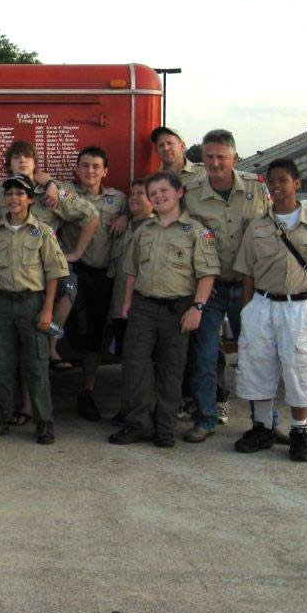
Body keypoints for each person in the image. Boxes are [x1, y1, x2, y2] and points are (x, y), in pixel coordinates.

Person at [232, 159, 307, 462]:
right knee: (257, 365)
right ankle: (263, 427)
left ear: (297, 184)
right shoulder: (258, 226)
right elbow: (248, 273)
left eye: (283, 180)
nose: (277, 187)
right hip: (263, 305)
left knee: (300, 367)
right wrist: (247, 311)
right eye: (272, 182)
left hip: (300, 307)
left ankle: (299, 432)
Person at [109, 171, 219, 447]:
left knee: (171, 371)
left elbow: (207, 274)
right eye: (153, 193)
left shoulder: (196, 231)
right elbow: (131, 269)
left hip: (178, 308)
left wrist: (197, 308)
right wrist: (126, 304)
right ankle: (137, 424)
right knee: (135, 366)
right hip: (144, 305)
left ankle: (164, 427)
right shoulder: (143, 230)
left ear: (179, 192)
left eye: (163, 191)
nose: (158, 196)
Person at [182, 129, 269, 442]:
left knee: (258, 357)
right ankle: (205, 418)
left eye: (221, 156)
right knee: (205, 357)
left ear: (234, 157)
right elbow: (183, 238)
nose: (215, 163)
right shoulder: (189, 191)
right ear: (201, 159)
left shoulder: (257, 189)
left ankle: (265, 423)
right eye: (209, 157)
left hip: (250, 286)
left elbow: (270, 233)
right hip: (212, 289)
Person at [0, 140, 99, 372]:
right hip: (14, 270)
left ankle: (52, 344)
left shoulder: (53, 191)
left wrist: (77, 253)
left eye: (27, 157)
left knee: (69, 286)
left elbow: (91, 214)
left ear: (35, 163)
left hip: (46, 265)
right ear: (9, 164)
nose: (22, 161)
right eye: (16, 157)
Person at [0, 174, 69, 444]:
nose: (14, 199)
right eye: (9, 194)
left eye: (20, 194)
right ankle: (1, 419)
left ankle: (44, 422)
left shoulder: (41, 231)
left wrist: (48, 310)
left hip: (33, 303)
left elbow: (54, 272)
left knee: (37, 365)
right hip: (3, 304)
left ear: (30, 199)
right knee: (1, 364)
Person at [58, 147, 126, 422]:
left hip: (103, 275)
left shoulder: (119, 199)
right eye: (84, 166)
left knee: (96, 336)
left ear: (105, 171)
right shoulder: (67, 196)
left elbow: (143, 210)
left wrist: (126, 217)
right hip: (75, 272)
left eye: (96, 166)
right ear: (76, 169)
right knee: (74, 330)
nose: (90, 171)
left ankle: (88, 390)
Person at [106, 178, 154, 424]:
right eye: (132, 193)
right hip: (120, 305)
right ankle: (129, 409)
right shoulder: (122, 226)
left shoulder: (157, 227)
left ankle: (145, 411)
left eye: (141, 194)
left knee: (145, 361)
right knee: (128, 360)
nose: (135, 198)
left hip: (145, 305)